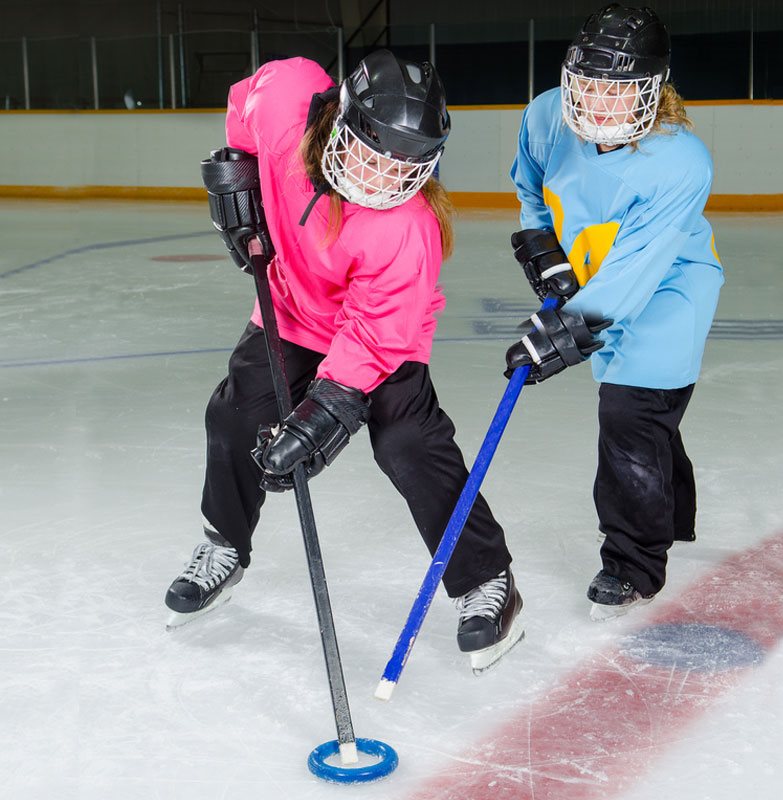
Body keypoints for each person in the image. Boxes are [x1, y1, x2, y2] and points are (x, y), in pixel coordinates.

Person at [164, 50, 524, 671]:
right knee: (233, 416)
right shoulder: (288, 101)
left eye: (404, 168)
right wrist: (243, 173)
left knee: (409, 442)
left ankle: (487, 580)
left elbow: (375, 335)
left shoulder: (407, 229)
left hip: (379, 333)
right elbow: (243, 107)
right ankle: (223, 544)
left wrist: (323, 412)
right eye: (373, 156)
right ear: (342, 122)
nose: (384, 181)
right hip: (292, 309)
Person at [505, 4, 724, 620]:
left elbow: (633, 276)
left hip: (669, 290)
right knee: (651, 419)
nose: (599, 104)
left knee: (630, 412)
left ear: (653, 90)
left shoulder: (680, 162)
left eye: (620, 90)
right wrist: (544, 247)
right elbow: (530, 185)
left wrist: (560, 332)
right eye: (590, 86)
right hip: (598, 277)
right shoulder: (548, 114)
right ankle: (672, 509)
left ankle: (632, 563)